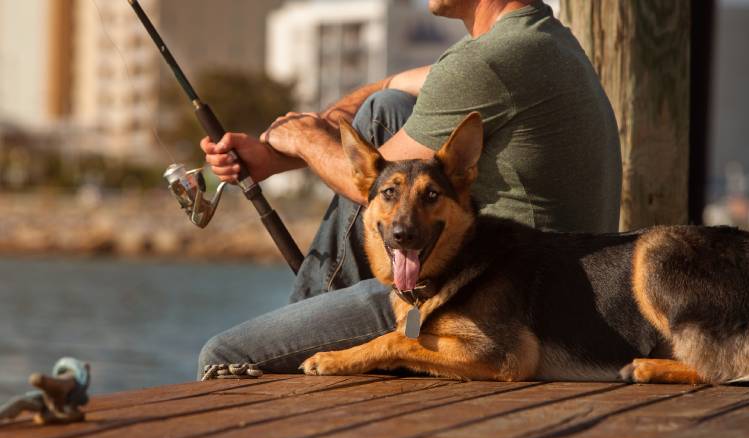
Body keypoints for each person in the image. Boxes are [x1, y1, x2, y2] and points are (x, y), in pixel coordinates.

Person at [197, 0, 622, 375]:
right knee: (387, 109)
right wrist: (278, 155)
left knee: (222, 353)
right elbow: (387, 90)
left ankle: (308, 317)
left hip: (484, 304)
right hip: (542, 283)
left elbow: (363, 182)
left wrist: (304, 138)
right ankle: (314, 312)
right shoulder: (541, 41)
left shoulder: (486, 63)